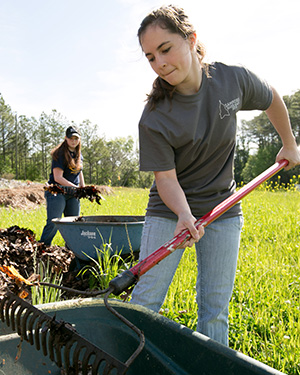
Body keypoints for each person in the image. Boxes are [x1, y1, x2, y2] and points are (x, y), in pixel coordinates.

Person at [129, 5, 300, 346]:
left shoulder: (231, 79)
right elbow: (166, 179)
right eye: (150, 57)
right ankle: (126, 361)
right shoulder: (154, 117)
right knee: (147, 302)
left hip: (223, 209)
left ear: (191, 40)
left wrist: (289, 144)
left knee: (215, 310)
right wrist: (183, 215)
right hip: (169, 212)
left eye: (165, 49)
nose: (159, 63)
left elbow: (271, 98)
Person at [40, 126, 85, 245]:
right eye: (71, 138)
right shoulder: (59, 154)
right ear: (66, 138)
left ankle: (70, 253)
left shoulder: (78, 154)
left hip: (73, 194)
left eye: (76, 138)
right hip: (57, 191)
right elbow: (58, 177)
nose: (73, 141)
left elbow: (79, 172)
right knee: (54, 222)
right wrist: (76, 187)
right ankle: (42, 248)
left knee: (73, 224)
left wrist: (83, 188)